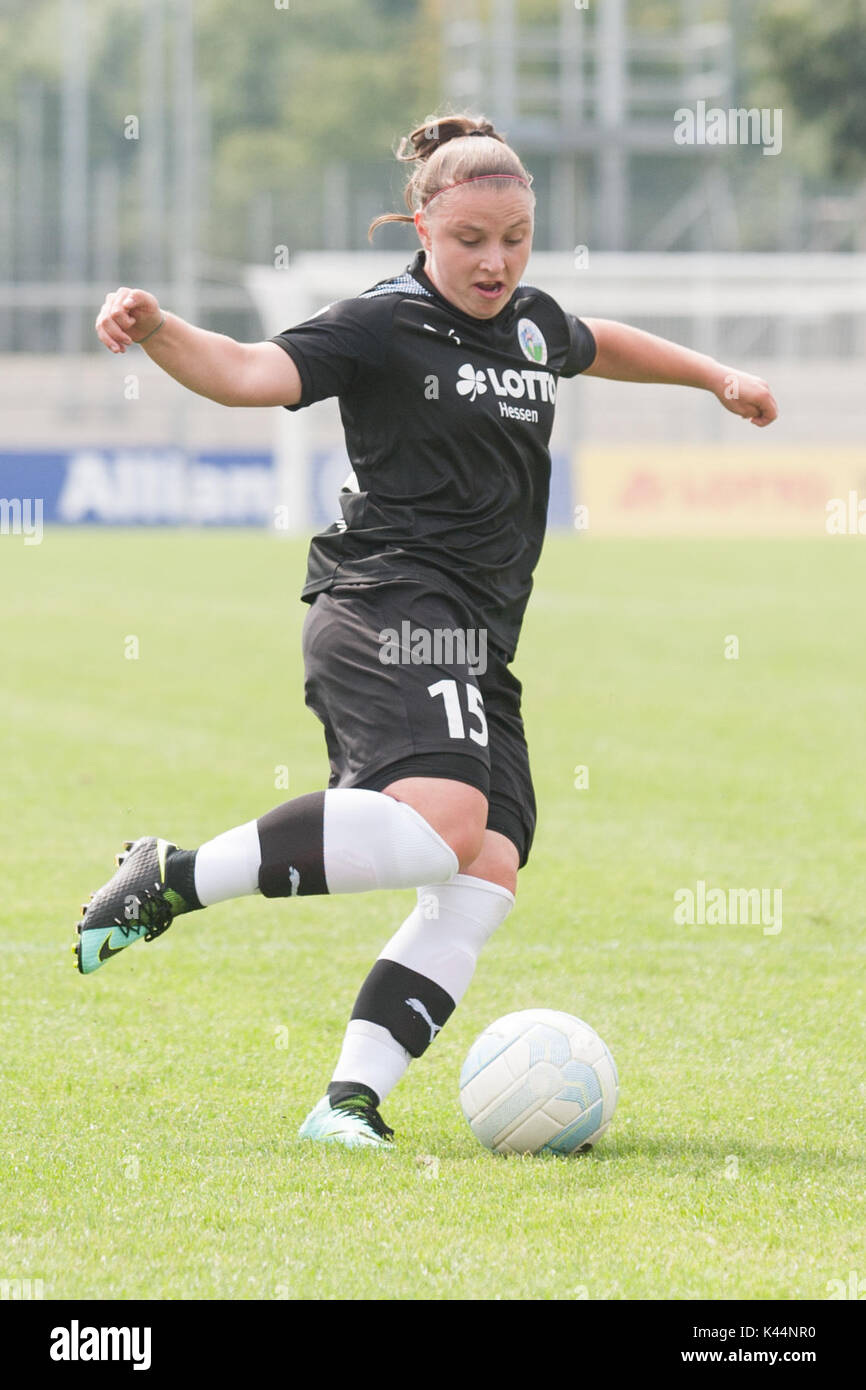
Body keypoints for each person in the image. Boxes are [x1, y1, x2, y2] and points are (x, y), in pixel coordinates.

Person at [79, 112, 778, 1149]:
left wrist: (713, 375)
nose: (495, 261)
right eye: (469, 241)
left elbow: (597, 342)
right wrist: (157, 326)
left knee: (485, 866)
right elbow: (244, 371)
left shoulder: (531, 323)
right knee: (447, 819)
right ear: (420, 227)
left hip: (481, 637)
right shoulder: (376, 325)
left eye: (515, 237)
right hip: (387, 599)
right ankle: (170, 876)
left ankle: (346, 1101)